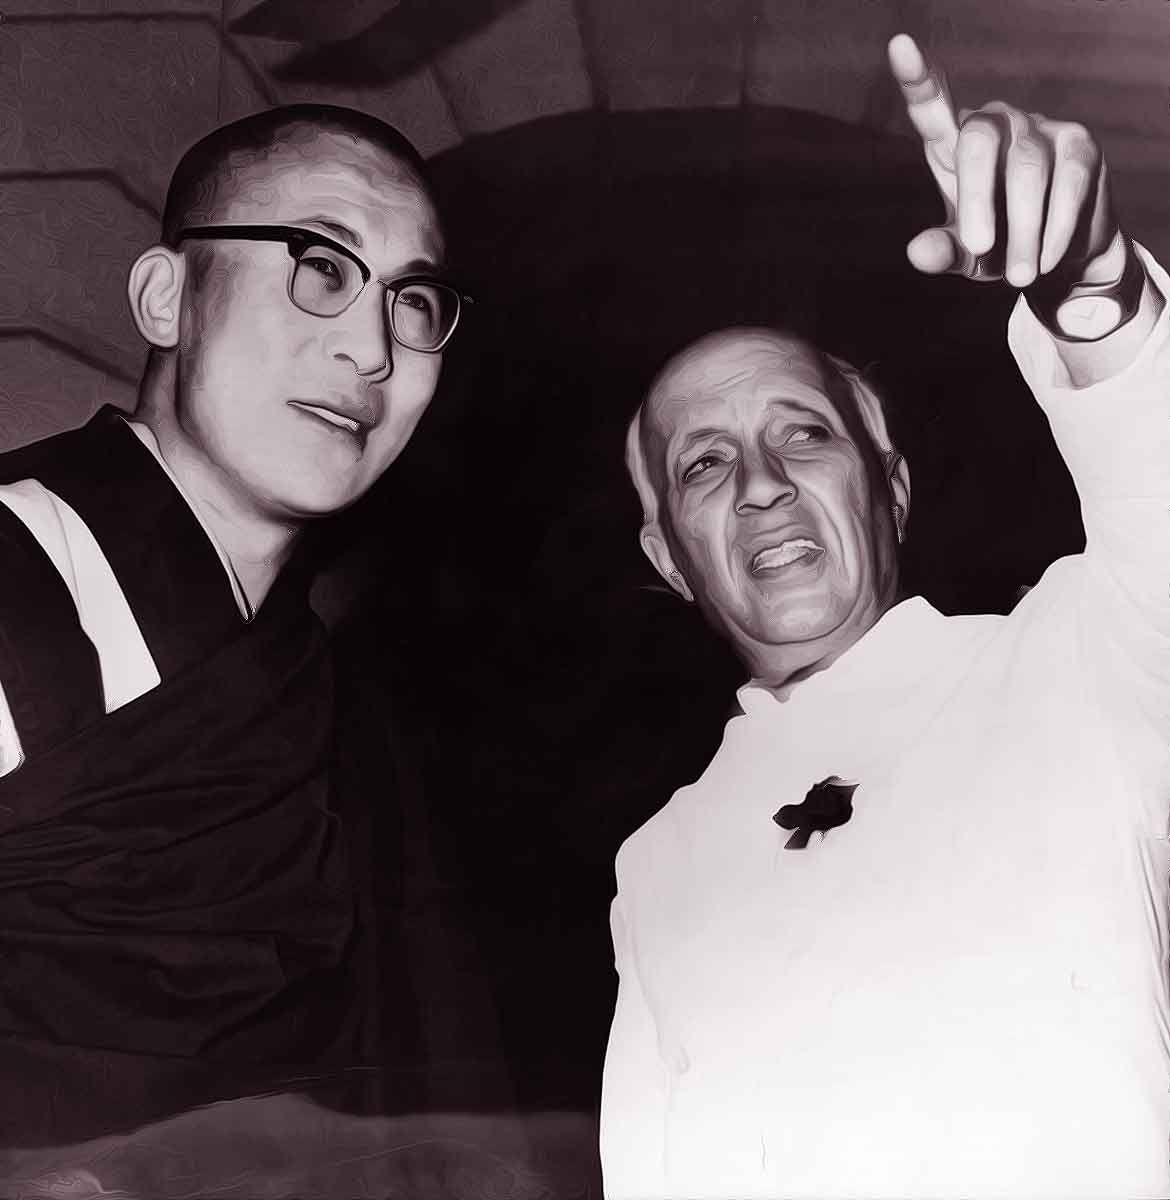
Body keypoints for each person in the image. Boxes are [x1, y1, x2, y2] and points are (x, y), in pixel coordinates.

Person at [601, 34, 1170, 1200]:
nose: (762, 484)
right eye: (705, 463)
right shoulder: (656, 863)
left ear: (889, 484)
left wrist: (1094, 290)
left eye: (803, 433)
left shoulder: (1082, 659)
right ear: (670, 559)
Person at [0, 103, 469, 1147]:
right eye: (322, 266)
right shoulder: (18, 566)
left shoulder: (322, 681)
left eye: (414, 300)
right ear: (167, 297)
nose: (372, 351)